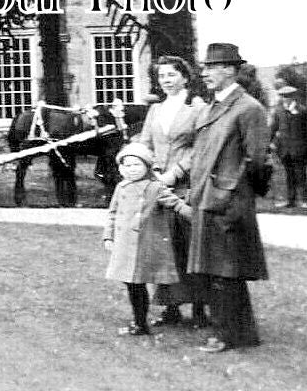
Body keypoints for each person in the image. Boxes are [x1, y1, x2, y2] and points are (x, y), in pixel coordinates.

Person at [165, 43, 269, 353]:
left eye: (212, 67)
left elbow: (257, 160)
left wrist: (232, 196)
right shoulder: (212, 107)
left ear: (229, 70)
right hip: (206, 199)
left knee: (226, 272)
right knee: (217, 271)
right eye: (206, 67)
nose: (205, 73)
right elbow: (200, 154)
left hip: (227, 202)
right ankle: (240, 333)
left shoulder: (248, 108)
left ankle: (228, 335)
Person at [134, 55, 206, 328]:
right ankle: (171, 308)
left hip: (186, 185)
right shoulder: (156, 110)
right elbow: (146, 143)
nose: (166, 80)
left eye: (171, 75)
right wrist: (140, 165)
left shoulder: (197, 108)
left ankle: (200, 309)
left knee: (190, 246)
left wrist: (174, 173)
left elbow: (200, 148)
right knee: (165, 247)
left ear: (185, 77)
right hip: (158, 185)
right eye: (162, 76)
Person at [102, 142, 193, 336]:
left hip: (144, 246)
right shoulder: (121, 187)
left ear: (147, 167)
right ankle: (139, 321)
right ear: (120, 168)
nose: (132, 170)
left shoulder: (155, 188)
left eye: (137, 165)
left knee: (138, 282)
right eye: (127, 166)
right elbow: (112, 213)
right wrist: (108, 237)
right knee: (131, 284)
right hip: (125, 246)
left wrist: (196, 217)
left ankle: (141, 324)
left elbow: (175, 204)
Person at [271, 85, 307, 208]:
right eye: (283, 97)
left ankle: (303, 200)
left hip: (299, 149)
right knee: (289, 175)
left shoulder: (302, 111)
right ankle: (291, 200)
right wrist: (270, 143)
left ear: (293, 97)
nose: (285, 99)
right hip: (284, 150)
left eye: (288, 96)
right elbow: (273, 128)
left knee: (300, 175)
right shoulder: (278, 111)